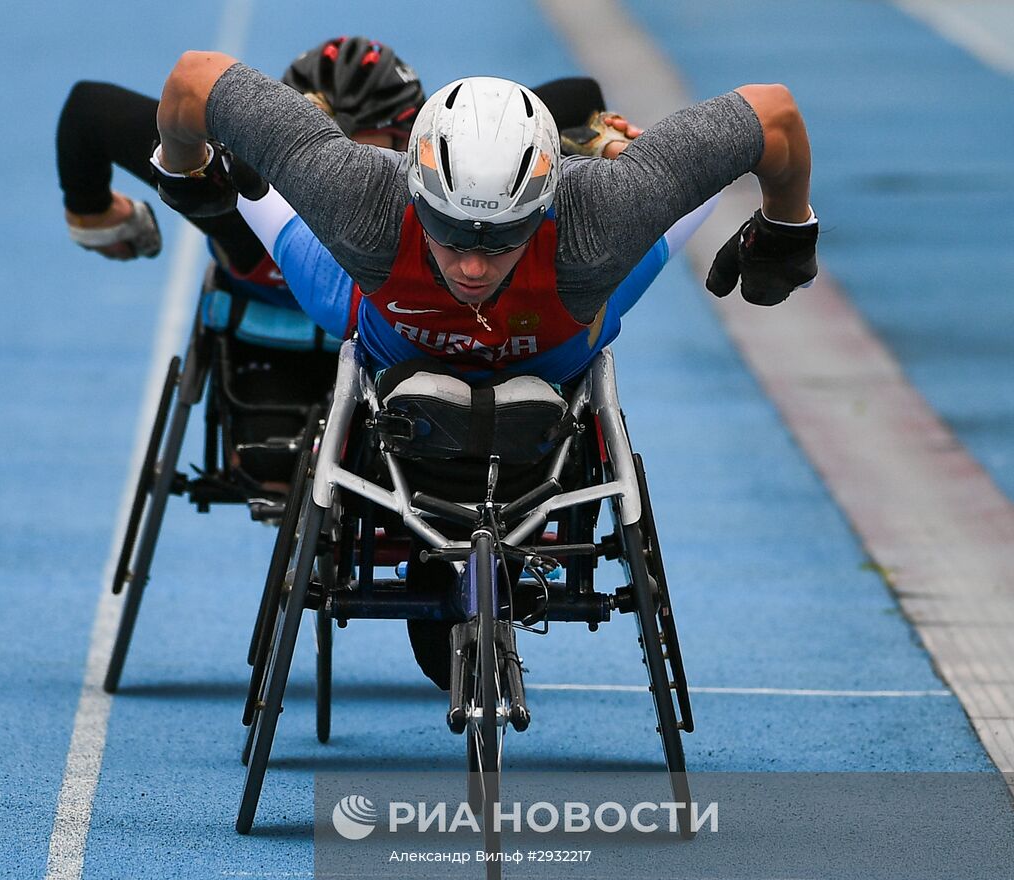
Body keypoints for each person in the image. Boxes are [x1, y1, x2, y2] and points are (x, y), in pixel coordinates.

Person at [147, 55, 817, 685]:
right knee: (260, 201)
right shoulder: (363, 196)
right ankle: (610, 140)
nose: (472, 265)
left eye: (500, 237)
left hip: (533, 290)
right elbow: (191, 80)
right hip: (429, 309)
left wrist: (185, 170)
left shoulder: (598, 217)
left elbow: (775, 113)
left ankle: (607, 147)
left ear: (547, 200)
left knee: (649, 203)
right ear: (416, 191)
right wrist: (785, 225)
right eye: (450, 229)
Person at [55, 38, 641, 483]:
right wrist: (101, 214)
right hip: (283, 364)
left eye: (364, 157)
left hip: (413, 369)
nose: (344, 184)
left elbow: (573, 97)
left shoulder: (453, 193)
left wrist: (99, 218)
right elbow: (91, 109)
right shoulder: (237, 189)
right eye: (326, 158)